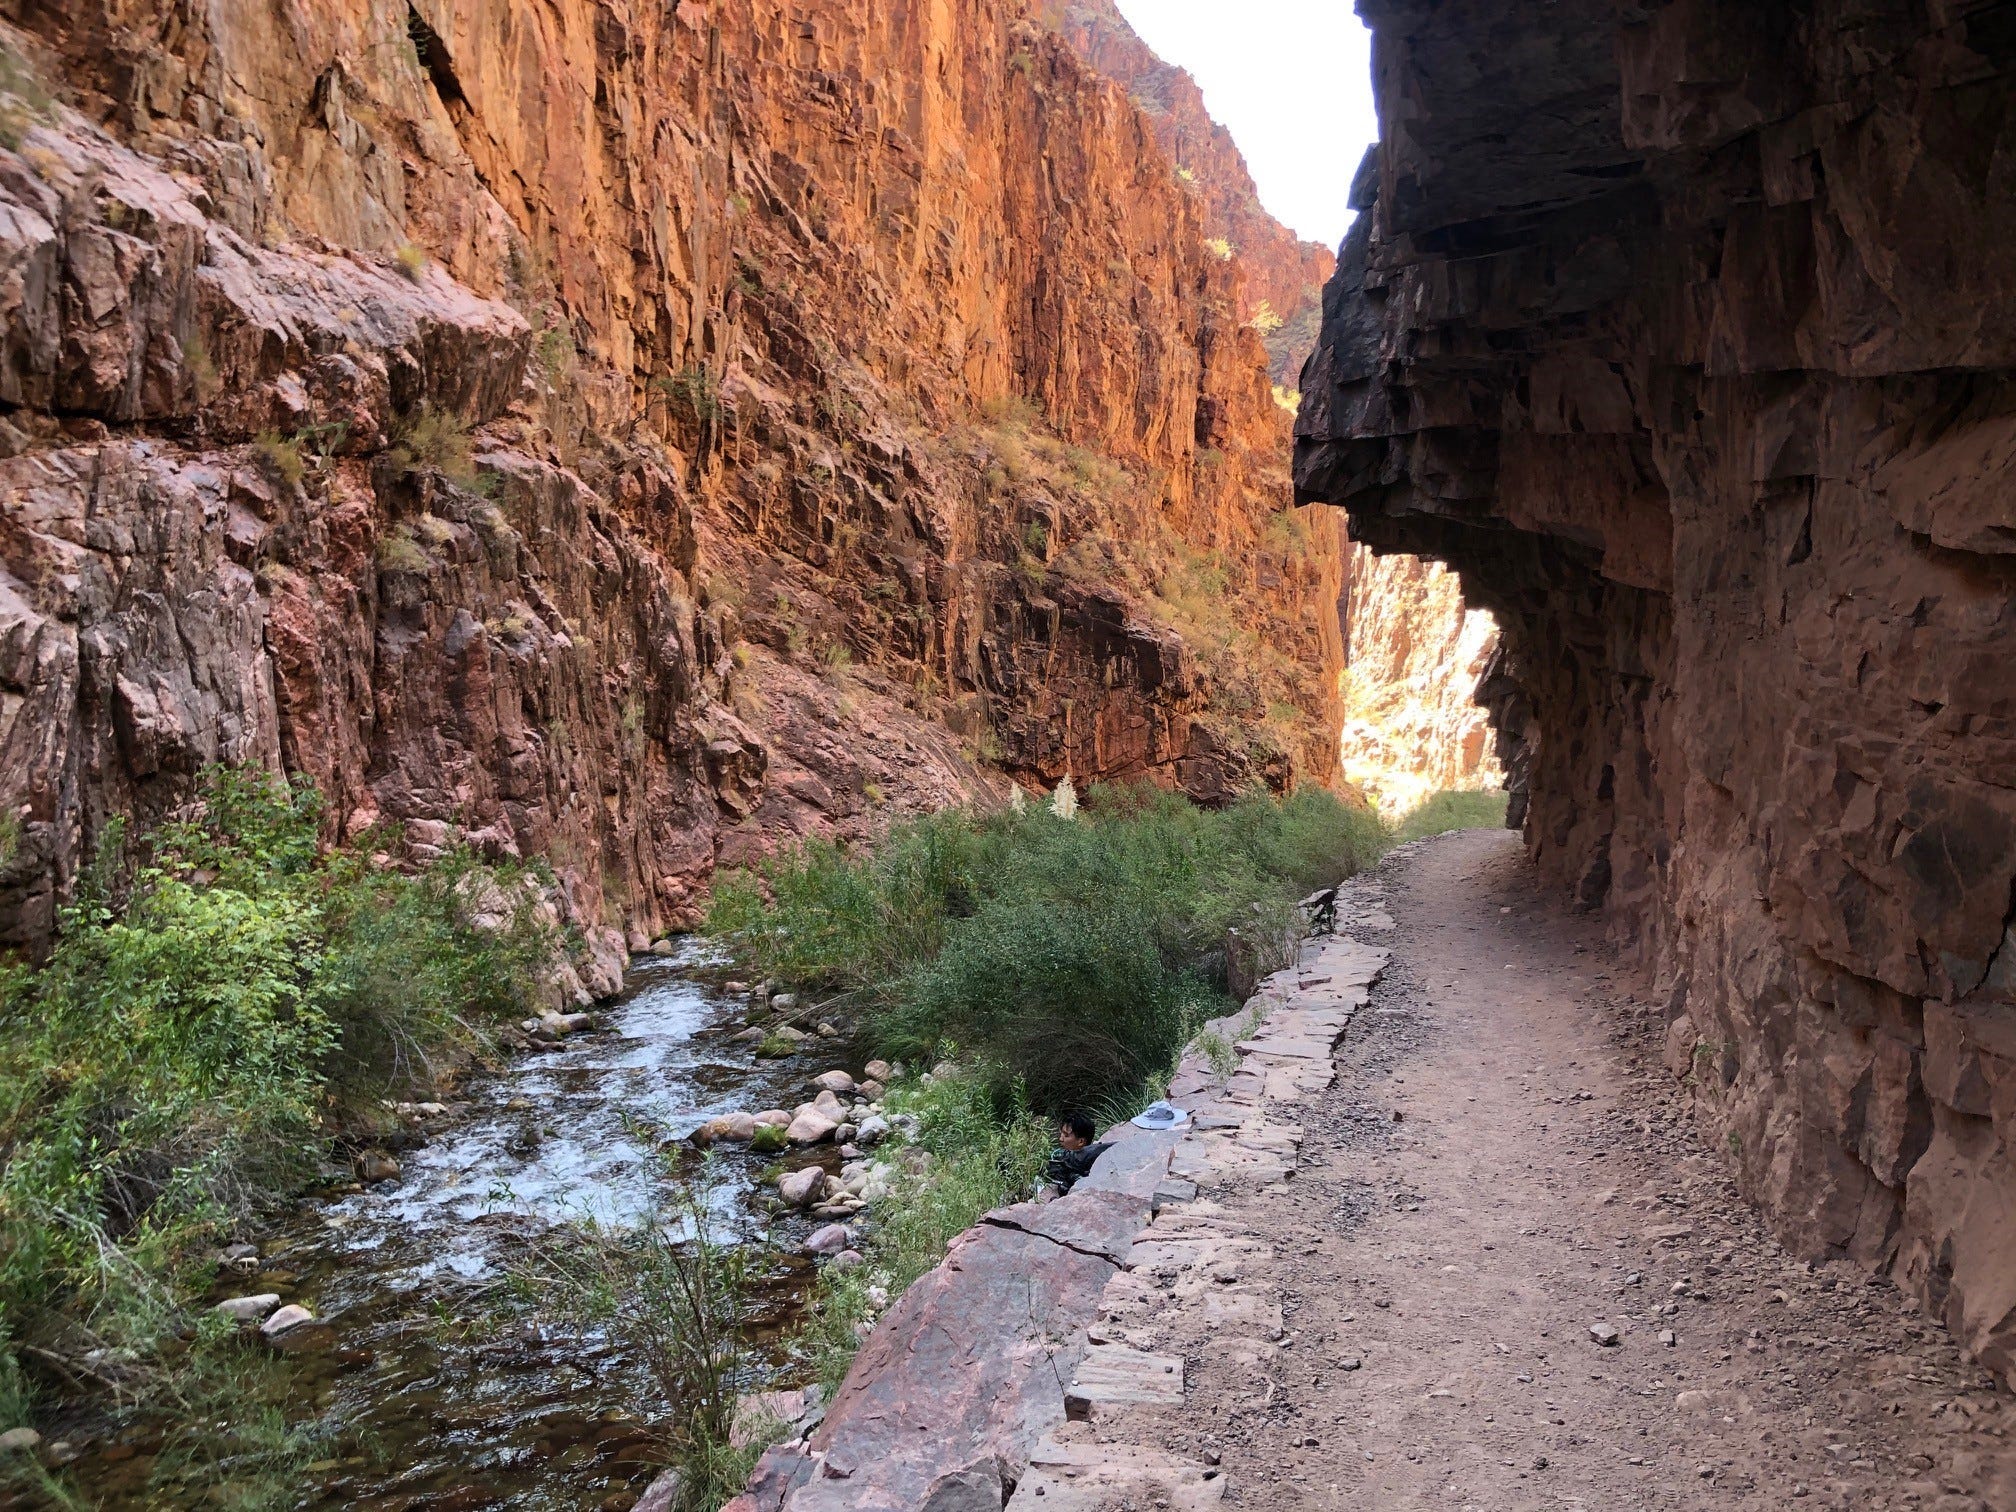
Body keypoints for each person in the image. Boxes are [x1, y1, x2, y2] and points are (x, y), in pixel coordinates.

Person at [1043, 1112, 1110, 1196]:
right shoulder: (1059, 1156)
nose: (1060, 1138)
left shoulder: (1096, 1162)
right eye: (1061, 1133)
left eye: (1066, 1135)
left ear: (1081, 1141)